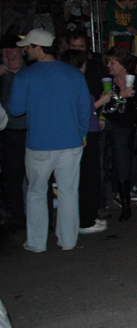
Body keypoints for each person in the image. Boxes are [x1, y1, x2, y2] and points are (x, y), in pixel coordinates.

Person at [7, 29, 90, 252]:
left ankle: (36, 243)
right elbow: (85, 109)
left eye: (27, 46)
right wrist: (82, 134)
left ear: (38, 47)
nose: (24, 50)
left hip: (39, 144)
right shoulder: (73, 74)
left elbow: (15, 110)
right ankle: (68, 241)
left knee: (36, 192)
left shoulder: (25, 75)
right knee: (68, 192)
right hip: (71, 142)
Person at [60, 49, 112, 234]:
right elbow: (79, 109)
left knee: (82, 179)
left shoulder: (69, 81)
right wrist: (101, 102)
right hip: (84, 135)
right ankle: (85, 221)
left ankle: (82, 219)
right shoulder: (74, 82)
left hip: (84, 132)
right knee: (88, 179)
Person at [102, 46, 137, 222]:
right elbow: (107, 110)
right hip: (119, 130)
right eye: (108, 62)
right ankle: (125, 207)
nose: (109, 65)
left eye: (113, 62)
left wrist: (129, 94)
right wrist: (119, 95)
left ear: (123, 65)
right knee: (122, 167)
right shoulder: (108, 83)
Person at [0, 32, 28, 233]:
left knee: (38, 180)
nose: (10, 56)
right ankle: (18, 219)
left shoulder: (31, 73)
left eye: (13, 52)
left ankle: (42, 220)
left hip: (32, 133)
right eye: (5, 54)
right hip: (9, 135)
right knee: (13, 180)